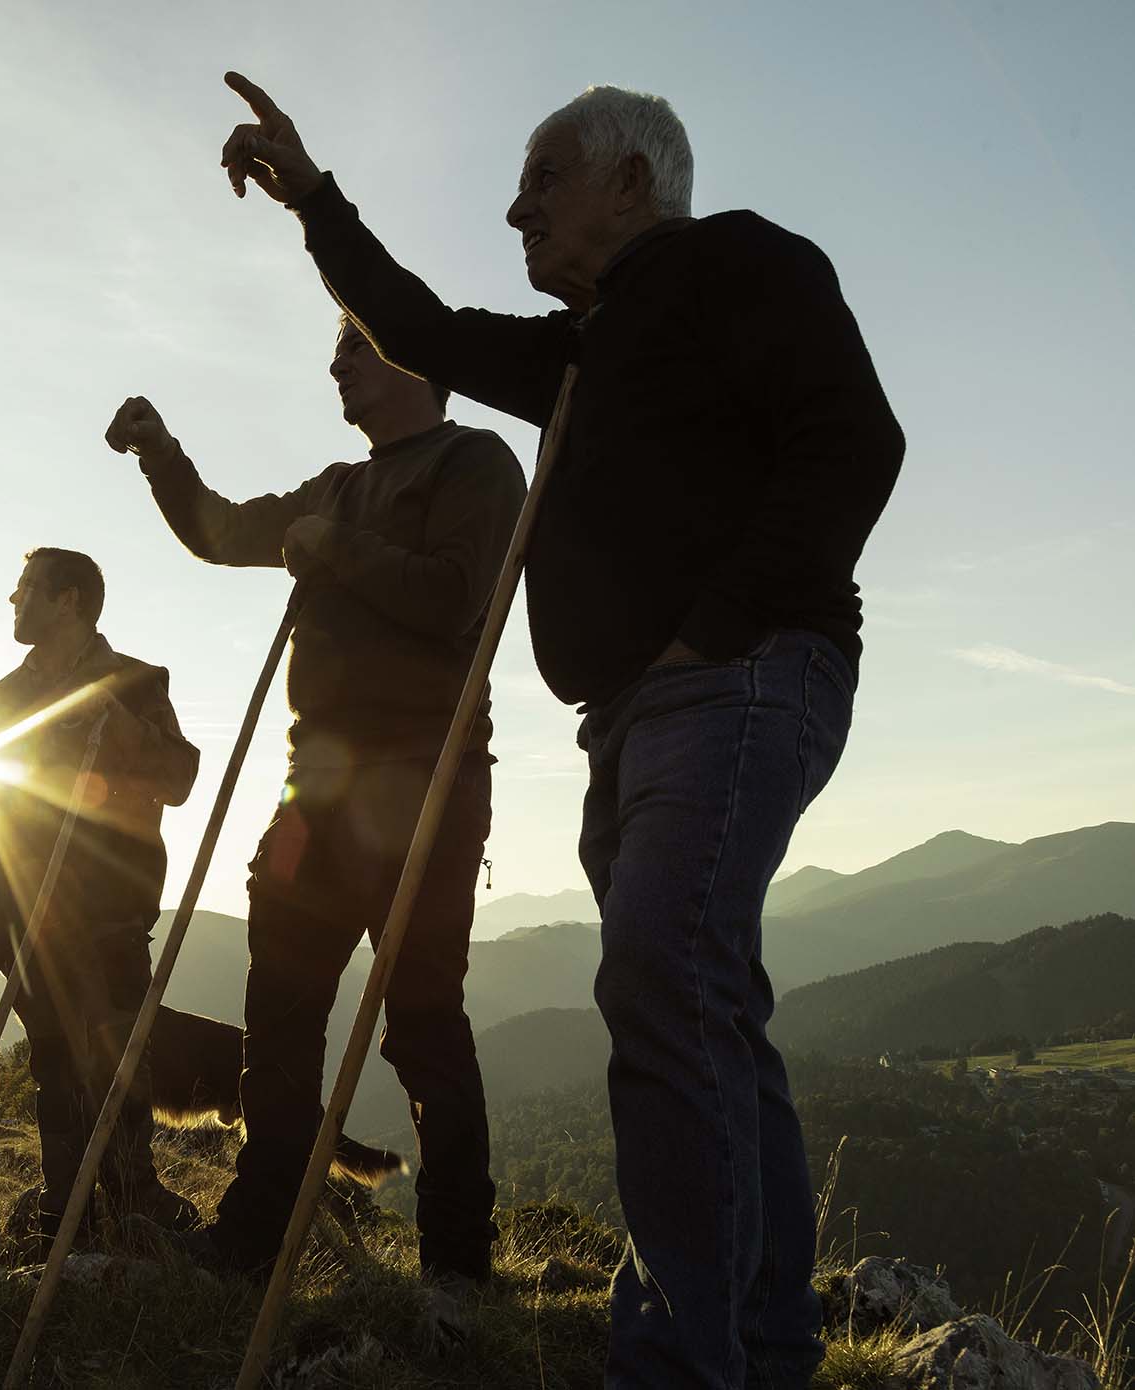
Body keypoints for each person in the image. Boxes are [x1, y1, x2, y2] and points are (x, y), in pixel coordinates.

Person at [215, 73, 905, 1389]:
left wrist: (711, 628)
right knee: (700, 990)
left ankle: (672, 1362)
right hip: (636, 717)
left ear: (630, 182)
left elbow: (851, 442)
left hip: (740, 677)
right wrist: (311, 198)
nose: (513, 206)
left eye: (541, 179)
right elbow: (414, 326)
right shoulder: (575, 352)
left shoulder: (735, 267)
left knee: (658, 973)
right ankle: (760, 1347)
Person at [103, 318, 524, 1297]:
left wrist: (333, 552)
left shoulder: (475, 465)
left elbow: (457, 597)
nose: (336, 361)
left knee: (420, 1020)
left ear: (414, 362)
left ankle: (457, 1258)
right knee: (279, 1016)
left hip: (425, 780)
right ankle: (254, 1233)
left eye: (357, 344)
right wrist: (160, 454)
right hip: (314, 793)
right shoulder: (336, 483)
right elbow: (217, 530)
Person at [0, 547, 203, 1240]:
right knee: (50, 1061)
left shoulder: (134, 682)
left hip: (110, 903)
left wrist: (121, 734)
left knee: (116, 1054)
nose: (13, 602)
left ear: (67, 600)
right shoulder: (3, 698)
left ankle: (133, 1196)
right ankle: (65, 1204)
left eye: (24, 590)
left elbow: (179, 777)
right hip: (25, 906)